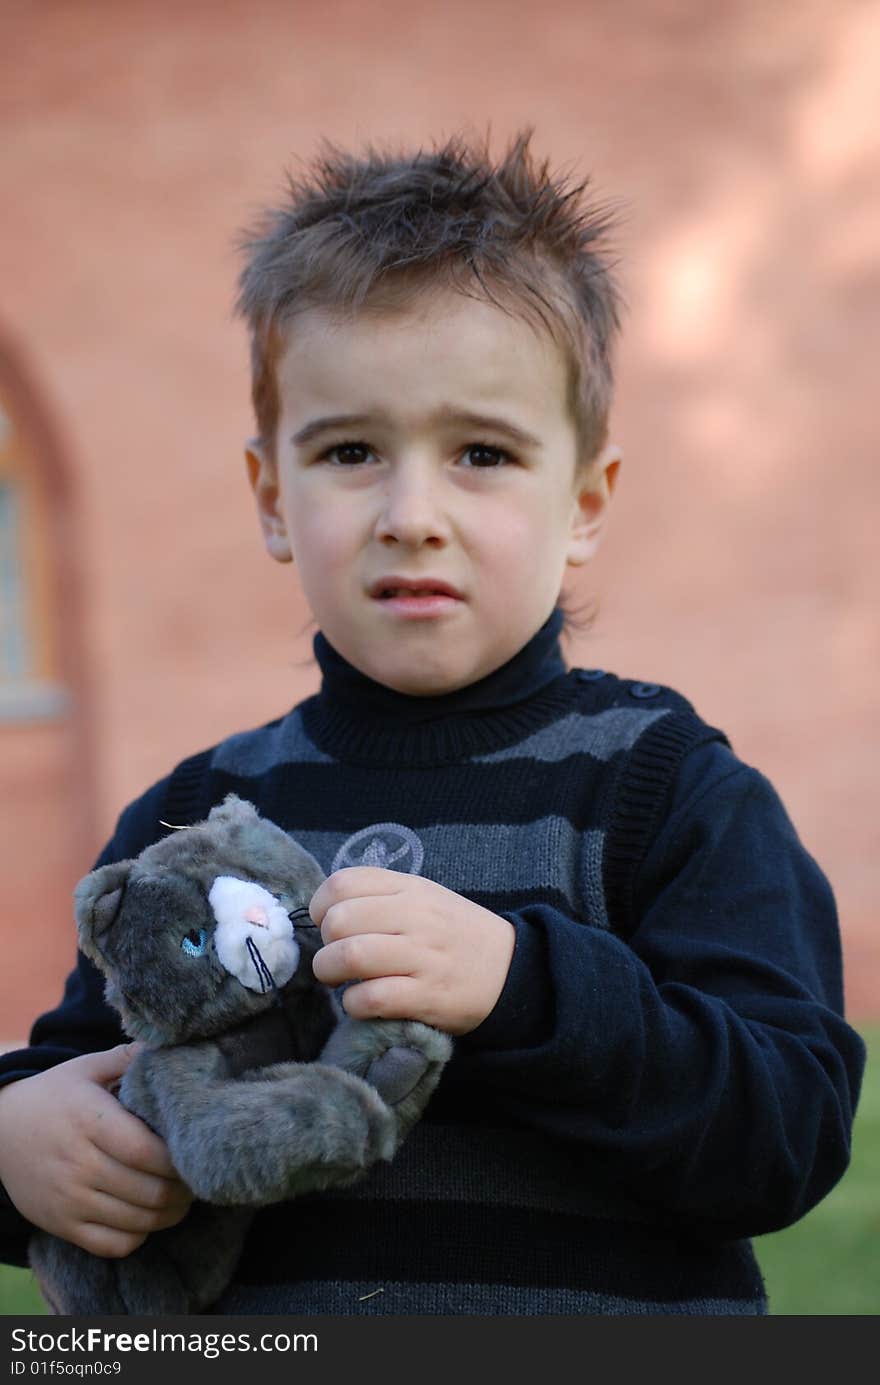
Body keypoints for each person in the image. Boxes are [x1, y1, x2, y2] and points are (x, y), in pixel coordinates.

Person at [0, 131, 866, 1316]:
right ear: (271, 497)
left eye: (481, 453)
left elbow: (783, 1133)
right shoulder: (193, 817)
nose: (412, 513)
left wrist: (522, 986)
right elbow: (85, 1072)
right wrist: (20, 1142)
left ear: (584, 500)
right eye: (351, 450)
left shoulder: (666, 787)